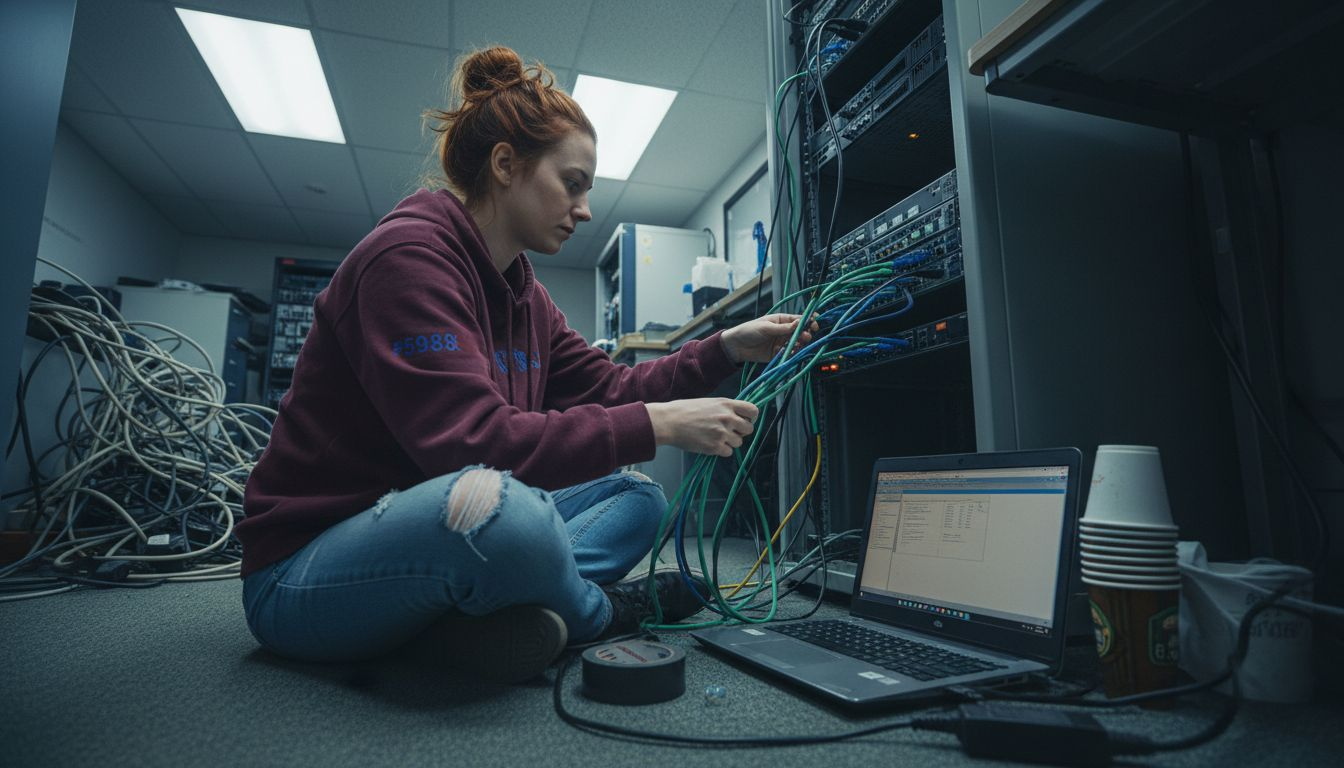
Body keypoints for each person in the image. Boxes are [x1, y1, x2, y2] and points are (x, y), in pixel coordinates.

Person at [237, 46, 813, 683]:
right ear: (506, 165)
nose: (585, 208)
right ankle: (596, 613)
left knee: (637, 497)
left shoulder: (524, 294)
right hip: (300, 572)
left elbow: (615, 387)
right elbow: (472, 443)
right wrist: (660, 423)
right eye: (572, 184)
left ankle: (471, 619)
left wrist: (727, 346)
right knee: (507, 514)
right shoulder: (406, 259)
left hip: (434, 529)